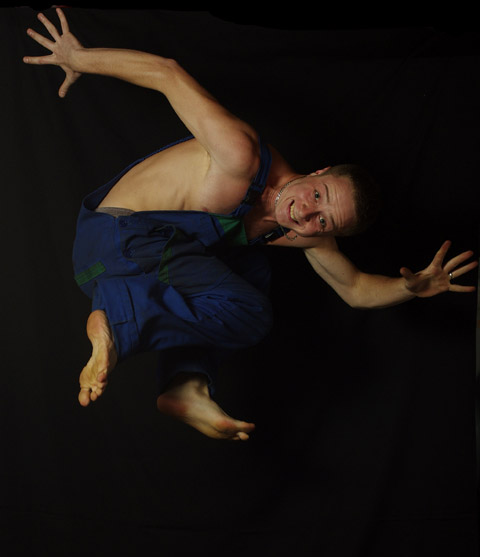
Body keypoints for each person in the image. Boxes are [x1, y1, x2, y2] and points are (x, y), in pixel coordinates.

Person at [23, 9, 478, 440]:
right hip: (115, 239)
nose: (305, 214)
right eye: (317, 196)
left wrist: (410, 287)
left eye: (323, 221)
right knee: (251, 311)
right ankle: (117, 326)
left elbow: (355, 288)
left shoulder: (302, 235)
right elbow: (167, 73)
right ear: (318, 172)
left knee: (249, 271)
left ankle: (186, 383)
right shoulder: (240, 155)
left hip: (107, 269)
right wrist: (77, 57)